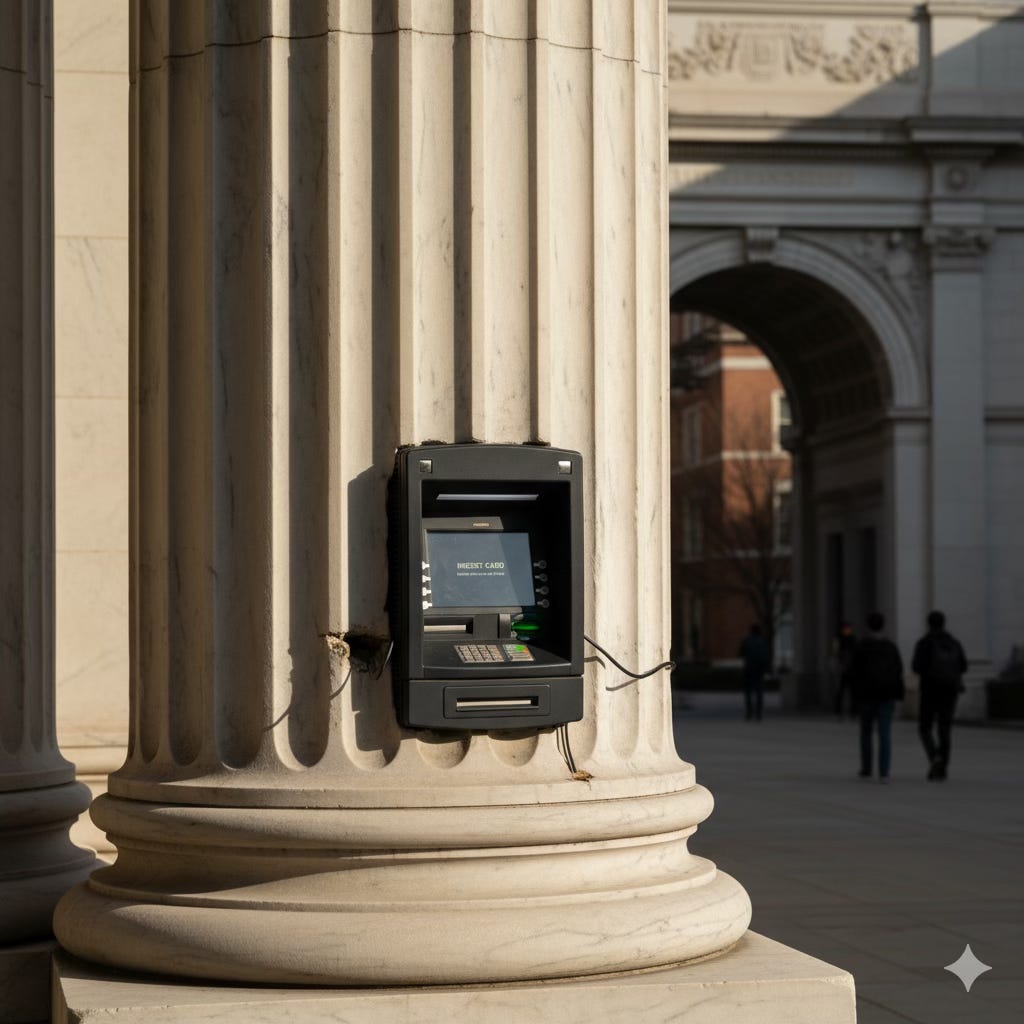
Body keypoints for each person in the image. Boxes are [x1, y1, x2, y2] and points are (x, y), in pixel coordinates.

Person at [911, 610, 967, 781]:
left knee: (925, 727)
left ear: (929, 624)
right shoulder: (954, 642)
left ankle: (935, 757)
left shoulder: (924, 643)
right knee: (945, 729)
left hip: (930, 690)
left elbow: (916, 667)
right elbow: (964, 666)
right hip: (950, 690)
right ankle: (943, 767)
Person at [850, 612, 904, 782]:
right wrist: (898, 693)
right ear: (883, 625)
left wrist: (855, 695)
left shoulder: (861, 646)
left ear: (868, 626)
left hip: (867, 695)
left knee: (866, 733)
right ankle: (884, 772)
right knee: (884, 734)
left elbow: (854, 671)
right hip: (887, 694)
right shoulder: (890, 647)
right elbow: (898, 670)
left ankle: (867, 768)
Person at [738, 623, 770, 722]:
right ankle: (758, 713)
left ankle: (749, 712)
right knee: (759, 691)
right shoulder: (763, 641)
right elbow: (766, 655)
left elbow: (740, 653)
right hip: (760, 669)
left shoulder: (747, 640)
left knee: (748, 691)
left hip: (749, 668)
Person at [831, 620, 857, 719]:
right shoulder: (839, 639)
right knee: (840, 691)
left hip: (851, 669)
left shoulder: (852, 639)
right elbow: (835, 653)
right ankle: (839, 712)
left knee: (852, 691)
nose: (847, 630)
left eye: (848, 629)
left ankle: (853, 712)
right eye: (846, 629)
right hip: (842, 669)